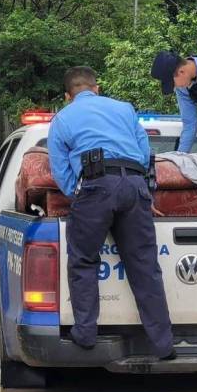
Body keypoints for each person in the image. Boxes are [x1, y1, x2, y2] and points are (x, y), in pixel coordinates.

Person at [47, 66, 175, 360]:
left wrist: (78, 196)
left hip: (95, 187)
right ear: (97, 88)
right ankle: (163, 345)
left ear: (69, 96)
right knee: (145, 267)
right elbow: (144, 154)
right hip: (133, 184)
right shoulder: (125, 109)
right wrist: (139, 190)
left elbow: (60, 170)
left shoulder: (63, 118)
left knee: (82, 260)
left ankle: (86, 334)